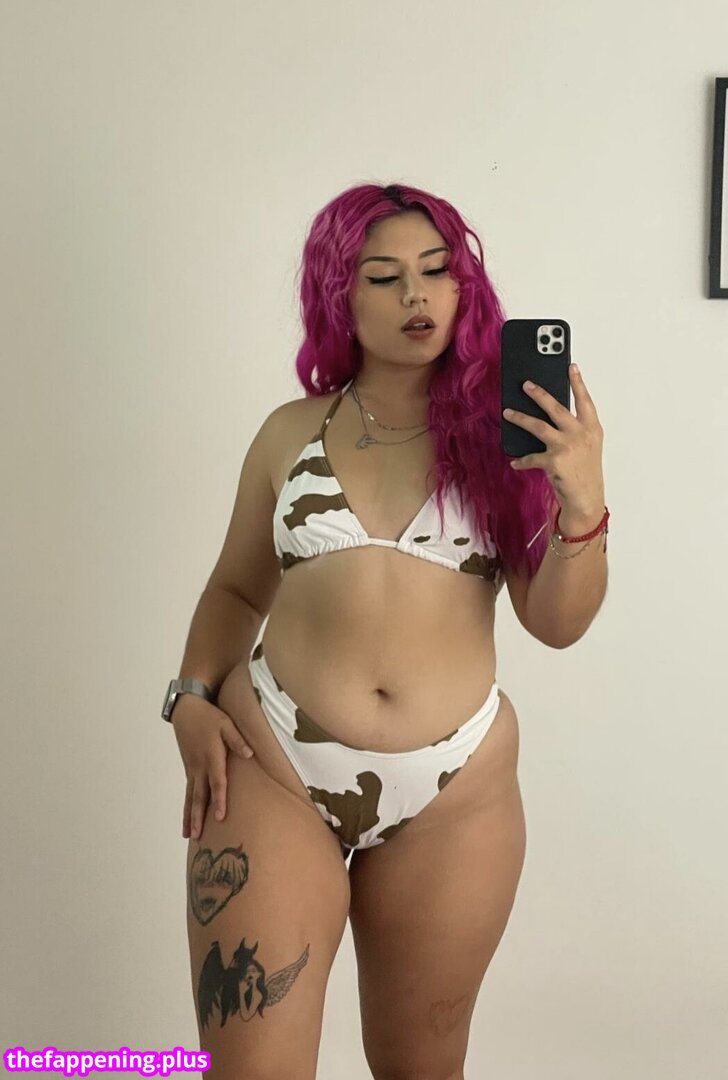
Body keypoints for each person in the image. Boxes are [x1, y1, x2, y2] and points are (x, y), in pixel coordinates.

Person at [167, 182, 609, 1079]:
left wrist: (583, 502)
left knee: (420, 1071)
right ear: (341, 294)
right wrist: (189, 697)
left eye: (437, 271)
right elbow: (235, 587)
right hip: (274, 764)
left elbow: (556, 625)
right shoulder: (289, 433)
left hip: (455, 793)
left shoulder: (511, 442)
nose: (417, 294)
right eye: (384, 276)